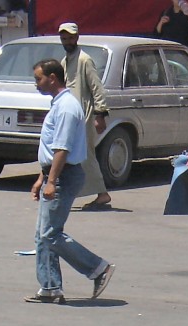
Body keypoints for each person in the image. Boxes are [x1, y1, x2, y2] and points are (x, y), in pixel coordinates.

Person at [26, 59, 115, 305]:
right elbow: (52, 148)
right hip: (55, 173)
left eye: (38, 79)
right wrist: (41, 178)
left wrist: (52, 181)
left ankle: (98, 268)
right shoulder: (58, 104)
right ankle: (50, 287)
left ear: (53, 78)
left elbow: (62, 149)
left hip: (64, 176)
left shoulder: (66, 107)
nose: (36, 84)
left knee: (50, 234)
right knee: (42, 235)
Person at [59, 22, 112, 210]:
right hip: (71, 115)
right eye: (64, 38)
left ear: (77, 37)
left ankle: (102, 194)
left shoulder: (84, 60)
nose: (67, 41)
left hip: (86, 113)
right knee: (69, 153)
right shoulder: (65, 61)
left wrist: (100, 115)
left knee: (86, 154)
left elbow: (97, 88)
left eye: (70, 38)